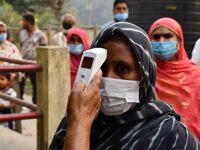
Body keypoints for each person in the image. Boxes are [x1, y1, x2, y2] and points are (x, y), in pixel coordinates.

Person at [49, 22, 199, 150]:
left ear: (144, 77)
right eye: (101, 67)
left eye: (122, 69)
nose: (107, 78)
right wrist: (80, 124)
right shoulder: (74, 121)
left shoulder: (171, 137)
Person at [148, 17, 200, 140]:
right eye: (156, 37)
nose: (161, 41)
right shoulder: (145, 73)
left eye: (167, 36)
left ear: (179, 41)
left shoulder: (195, 75)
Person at [18, 14, 47, 104]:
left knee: (36, 84)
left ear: (29, 22)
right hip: (22, 63)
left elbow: (44, 49)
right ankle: (20, 102)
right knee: (20, 83)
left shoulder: (40, 35)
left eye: (23, 21)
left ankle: (35, 104)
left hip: (34, 64)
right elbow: (22, 45)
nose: (21, 23)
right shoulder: (22, 33)